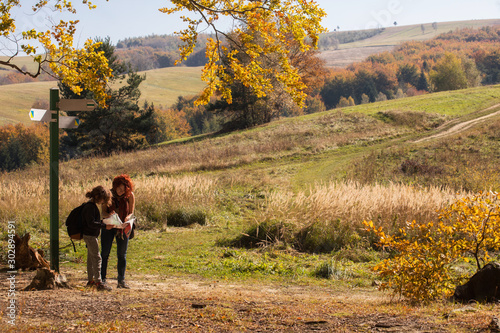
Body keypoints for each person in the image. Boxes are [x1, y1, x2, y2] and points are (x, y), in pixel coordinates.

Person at [101, 174, 135, 289]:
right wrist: (110, 217)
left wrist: (128, 219)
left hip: (123, 227)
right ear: (115, 187)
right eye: (119, 189)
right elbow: (103, 213)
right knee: (105, 253)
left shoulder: (130, 196)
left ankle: (121, 280)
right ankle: (103, 279)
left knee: (122, 254)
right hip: (110, 226)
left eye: (124, 189)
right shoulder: (108, 195)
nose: (121, 191)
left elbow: (131, 212)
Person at [82, 185, 113, 291]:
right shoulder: (90, 207)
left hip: (90, 235)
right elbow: (91, 223)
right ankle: (98, 282)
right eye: (104, 200)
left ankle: (91, 280)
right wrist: (104, 226)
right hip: (90, 236)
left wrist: (105, 222)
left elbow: (93, 222)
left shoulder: (91, 205)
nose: (104, 202)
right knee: (97, 258)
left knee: (91, 258)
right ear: (99, 197)